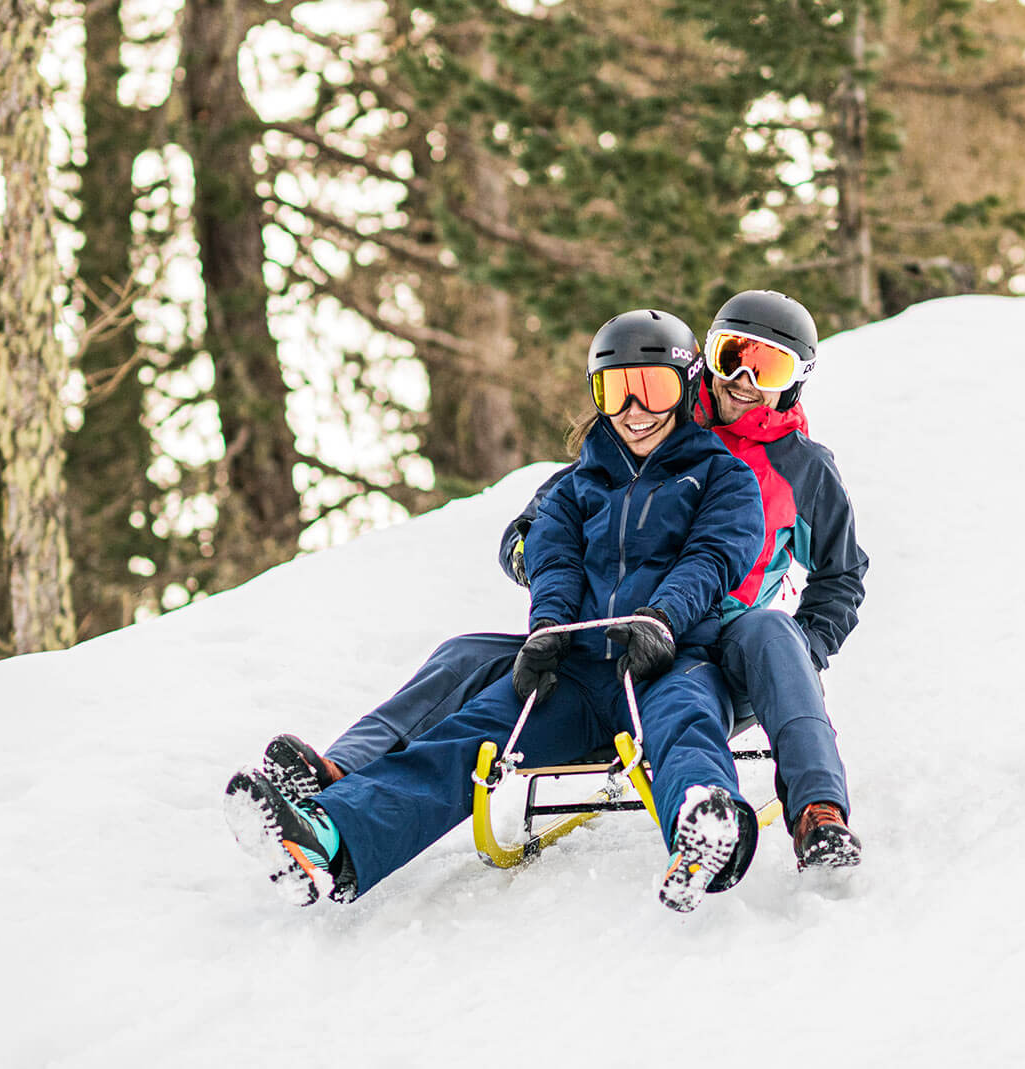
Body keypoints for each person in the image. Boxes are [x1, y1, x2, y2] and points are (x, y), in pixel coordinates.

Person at [260, 291, 872, 872]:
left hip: (713, 647)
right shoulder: (640, 435)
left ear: (796, 378)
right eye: (733, 357)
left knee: (763, 639)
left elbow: (810, 572)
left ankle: (808, 811)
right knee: (465, 658)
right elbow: (540, 528)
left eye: (768, 368)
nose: (744, 380)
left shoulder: (785, 470)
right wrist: (551, 600)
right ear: (703, 362)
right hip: (596, 640)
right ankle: (342, 778)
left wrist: (804, 650)